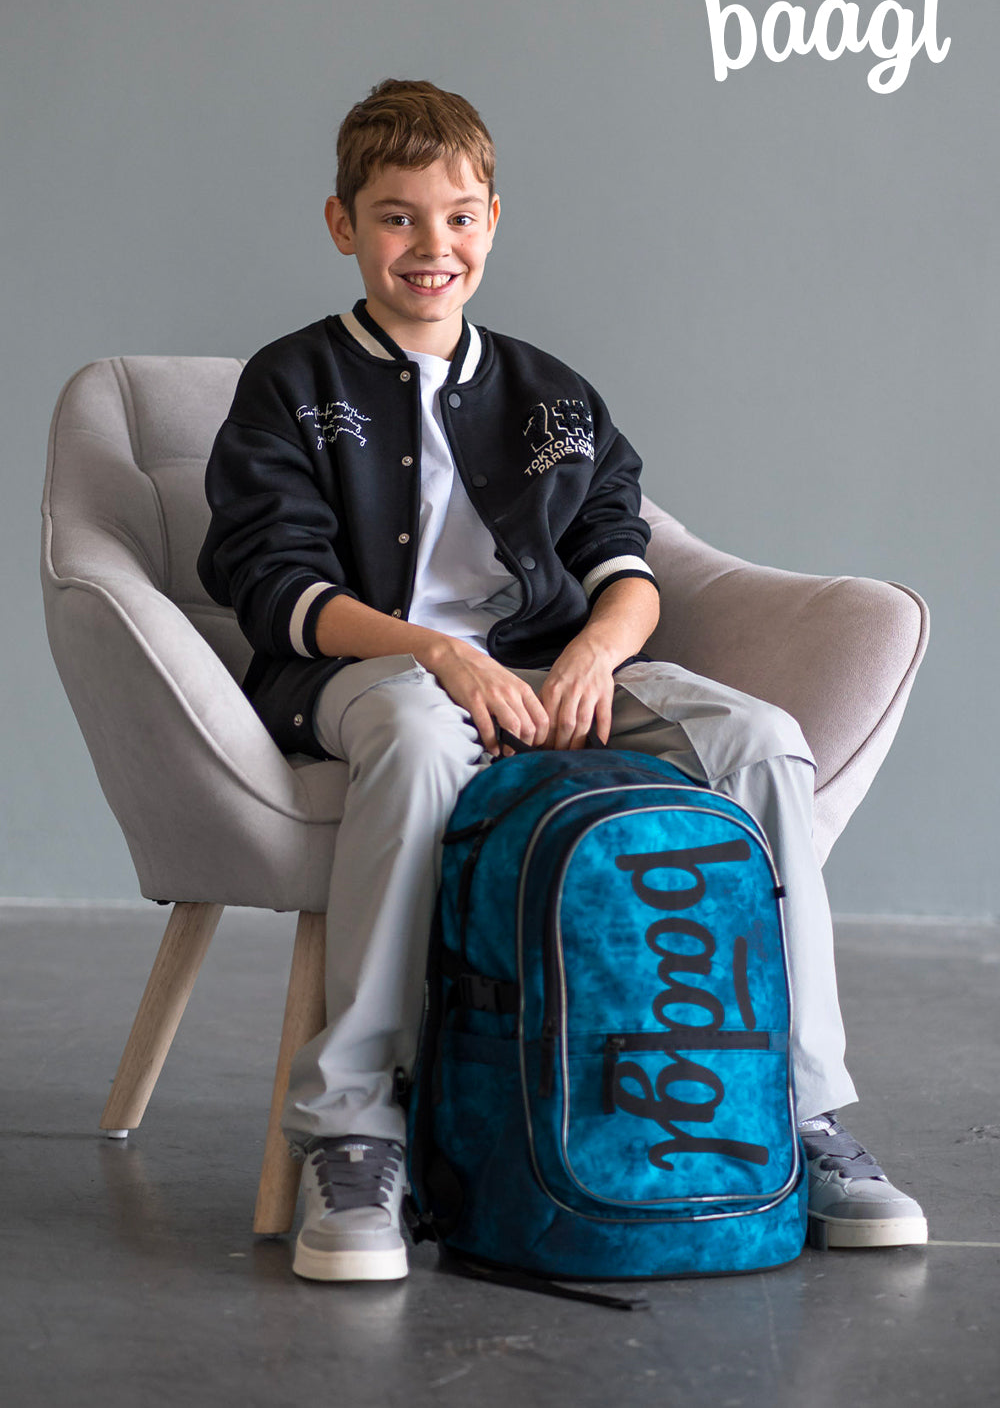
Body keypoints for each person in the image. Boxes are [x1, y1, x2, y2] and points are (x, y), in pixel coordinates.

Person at [197, 78, 926, 1283]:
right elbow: (275, 589)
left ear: (492, 220)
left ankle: (799, 1111)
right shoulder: (292, 384)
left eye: (458, 216)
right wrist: (436, 652)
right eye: (396, 217)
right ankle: (355, 1133)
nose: (431, 245)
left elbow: (625, 566)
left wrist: (594, 651)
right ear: (342, 225)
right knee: (420, 735)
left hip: (546, 669)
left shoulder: (550, 394)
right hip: (362, 674)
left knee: (758, 738)